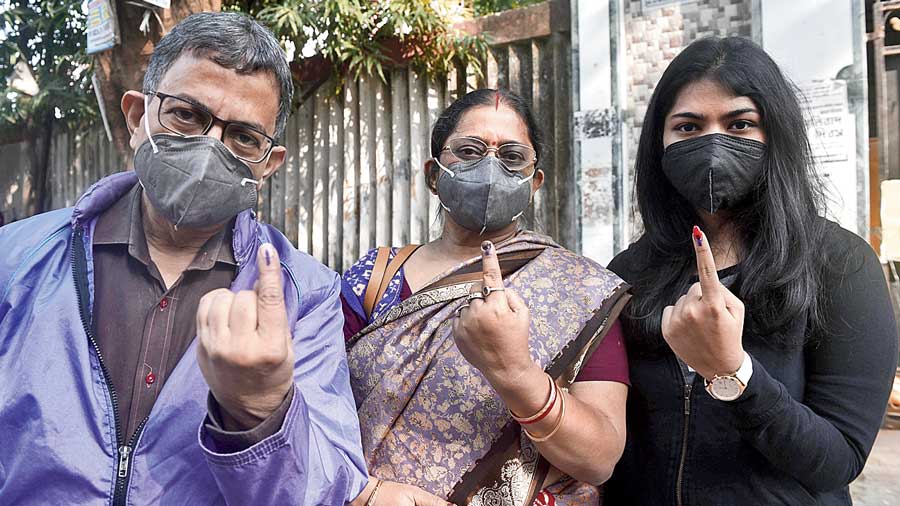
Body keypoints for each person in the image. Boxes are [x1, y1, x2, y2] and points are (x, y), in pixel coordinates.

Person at [0, 13, 367, 505]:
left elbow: (328, 488)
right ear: (136, 117)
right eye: (186, 115)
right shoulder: (17, 258)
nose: (209, 147)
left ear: (267, 165)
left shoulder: (306, 294)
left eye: (243, 137)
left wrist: (261, 412)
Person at [604, 36, 898, 505]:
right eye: (688, 127)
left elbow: (838, 459)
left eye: (740, 124)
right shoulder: (632, 270)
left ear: (775, 134)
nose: (712, 144)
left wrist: (733, 373)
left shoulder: (839, 265)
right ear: (659, 142)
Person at [342, 89, 630, 505]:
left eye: (511, 156)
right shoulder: (374, 278)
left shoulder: (580, 290)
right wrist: (371, 493)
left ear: (534, 182)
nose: (490, 166)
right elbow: (312, 414)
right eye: (470, 151)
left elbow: (599, 458)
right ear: (433, 174)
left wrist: (515, 373)